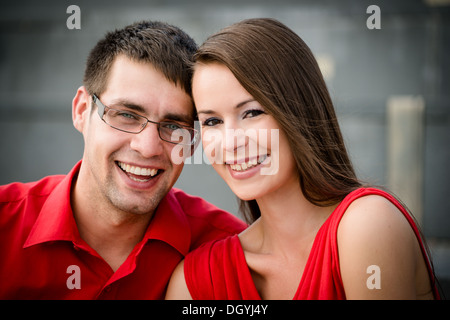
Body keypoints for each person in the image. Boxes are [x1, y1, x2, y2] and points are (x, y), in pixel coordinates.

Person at [165, 18, 440, 300]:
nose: (231, 142)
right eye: (211, 121)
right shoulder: (195, 281)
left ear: (298, 110)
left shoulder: (367, 225)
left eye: (252, 113)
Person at [0, 21, 246, 299]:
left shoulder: (226, 252)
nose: (148, 147)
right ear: (82, 110)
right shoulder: (4, 226)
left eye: (173, 126)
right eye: (127, 115)